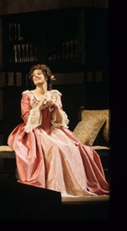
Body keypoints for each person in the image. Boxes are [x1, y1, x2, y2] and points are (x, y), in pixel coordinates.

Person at [7, 64, 110, 197]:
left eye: (39, 74)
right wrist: (40, 104)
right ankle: (53, 190)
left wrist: (55, 106)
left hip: (53, 129)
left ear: (47, 77)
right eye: (33, 75)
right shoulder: (28, 95)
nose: (35, 77)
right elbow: (28, 119)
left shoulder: (55, 95)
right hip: (34, 131)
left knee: (70, 147)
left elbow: (60, 121)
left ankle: (73, 187)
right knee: (54, 147)